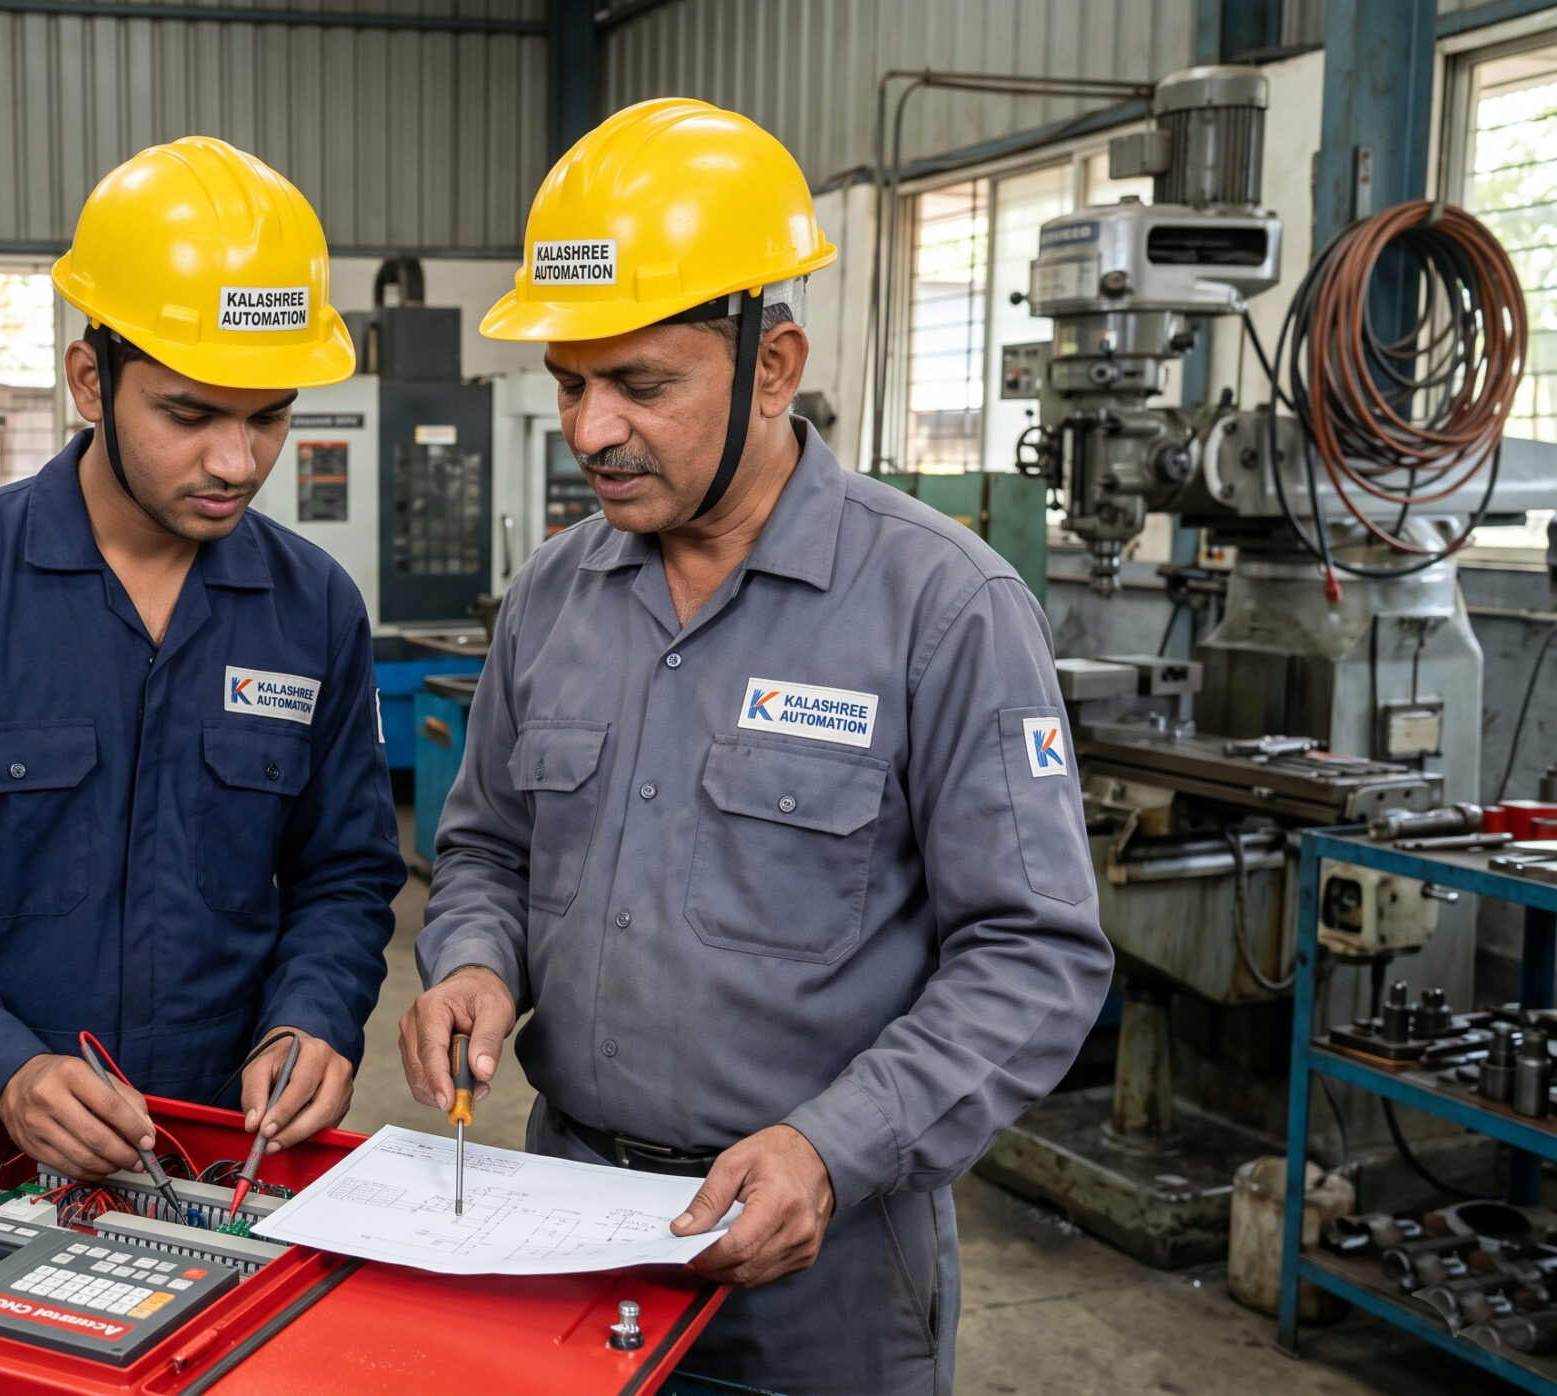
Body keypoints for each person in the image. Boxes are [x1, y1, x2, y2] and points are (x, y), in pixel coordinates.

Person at [398, 99, 1112, 1396]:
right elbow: (487, 846)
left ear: (773, 367)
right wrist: (471, 965)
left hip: (818, 1273)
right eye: (570, 384)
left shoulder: (939, 608)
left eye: (639, 385)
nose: (589, 430)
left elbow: (1034, 953)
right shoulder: (552, 597)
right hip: (564, 1236)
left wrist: (834, 1147)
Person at [0, 136, 405, 1180]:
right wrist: (6, 1068)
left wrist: (312, 1017)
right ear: (89, 377)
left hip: (216, 1165)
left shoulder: (312, 611)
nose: (234, 461)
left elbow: (342, 874)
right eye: (189, 412)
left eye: (269, 419)